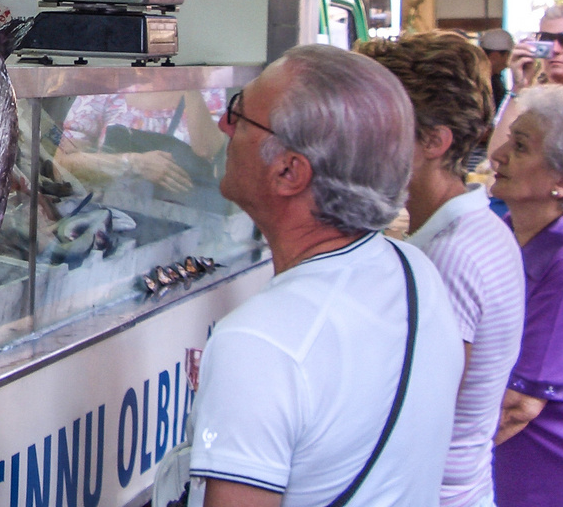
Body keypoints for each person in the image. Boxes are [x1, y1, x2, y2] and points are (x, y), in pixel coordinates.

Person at [187, 45, 463, 507]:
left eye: (238, 114)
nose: (223, 125)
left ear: (289, 171)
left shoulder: (259, 342)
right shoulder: (415, 272)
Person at [358, 32, 524, 507]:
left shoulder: (450, 257)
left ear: (434, 141)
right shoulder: (475, 230)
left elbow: (418, 412)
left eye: (383, 123)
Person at [489, 85, 563, 507]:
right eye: (510, 138)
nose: (498, 155)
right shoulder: (504, 231)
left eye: (521, 147)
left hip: (550, 466)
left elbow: (519, 405)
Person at [55, 89, 227, 196]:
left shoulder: (207, 90)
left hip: (188, 223)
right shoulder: (105, 86)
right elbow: (62, 166)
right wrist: (134, 163)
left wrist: (190, 86)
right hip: (115, 219)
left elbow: (208, 150)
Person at [489, 6, 563, 158]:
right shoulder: (532, 98)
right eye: (546, 40)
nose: (555, 49)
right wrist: (520, 87)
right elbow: (497, 160)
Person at [480, 27, 515, 114]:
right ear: (495, 56)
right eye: (508, 55)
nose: (509, 60)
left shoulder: (495, 79)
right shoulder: (482, 84)